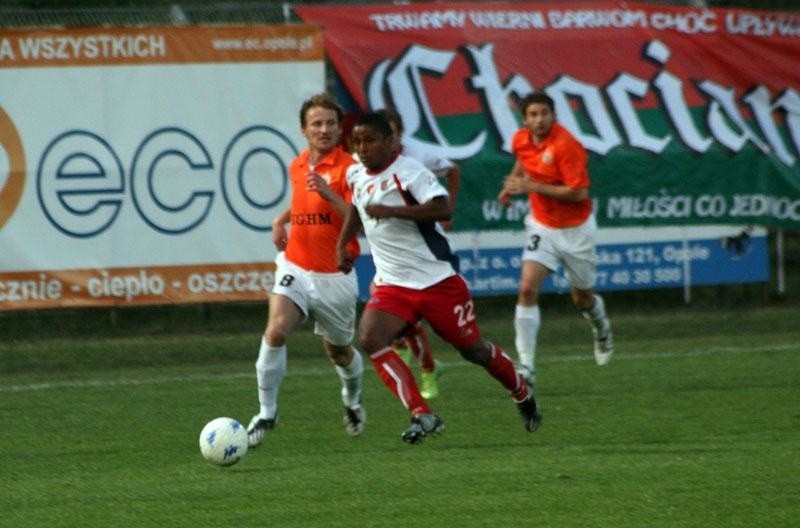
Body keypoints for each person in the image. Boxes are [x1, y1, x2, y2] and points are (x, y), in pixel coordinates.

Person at [336, 112, 541, 444]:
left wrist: (392, 211)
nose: (363, 148)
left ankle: (520, 390)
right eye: (357, 142)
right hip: (393, 284)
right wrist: (344, 243)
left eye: (370, 140)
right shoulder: (355, 173)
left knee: (472, 350)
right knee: (371, 337)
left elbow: (443, 208)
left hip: (437, 281)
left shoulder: (409, 172)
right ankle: (423, 414)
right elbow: (356, 207)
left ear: (390, 142)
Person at [246, 93, 366, 447]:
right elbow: (302, 200)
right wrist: (280, 220)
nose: (324, 129)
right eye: (316, 123)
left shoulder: (351, 169)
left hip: (334, 276)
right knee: (277, 329)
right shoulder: (298, 164)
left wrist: (330, 195)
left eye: (330, 123)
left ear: (340, 128)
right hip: (295, 265)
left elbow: (359, 220)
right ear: (304, 130)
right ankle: (266, 413)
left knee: (339, 352)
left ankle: (352, 398)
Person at [498, 91, 614, 386]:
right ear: (525, 120)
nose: (539, 120)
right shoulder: (521, 140)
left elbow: (578, 193)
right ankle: (526, 366)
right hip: (542, 226)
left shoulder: (566, 146)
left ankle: (601, 329)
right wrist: (512, 185)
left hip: (576, 229)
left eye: (545, 113)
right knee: (526, 289)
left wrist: (530, 186)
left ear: (554, 115)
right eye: (533, 115)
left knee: (583, 299)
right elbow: (524, 161)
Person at [374, 107, 462, 400]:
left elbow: (452, 169)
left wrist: (448, 209)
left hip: (424, 251)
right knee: (398, 316)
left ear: (399, 134)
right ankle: (427, 368)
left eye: (392, 134)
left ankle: (426, 365)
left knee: (417, 320)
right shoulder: (369, 162)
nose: (386, 141)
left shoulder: (417, 156)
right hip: (391, 253)